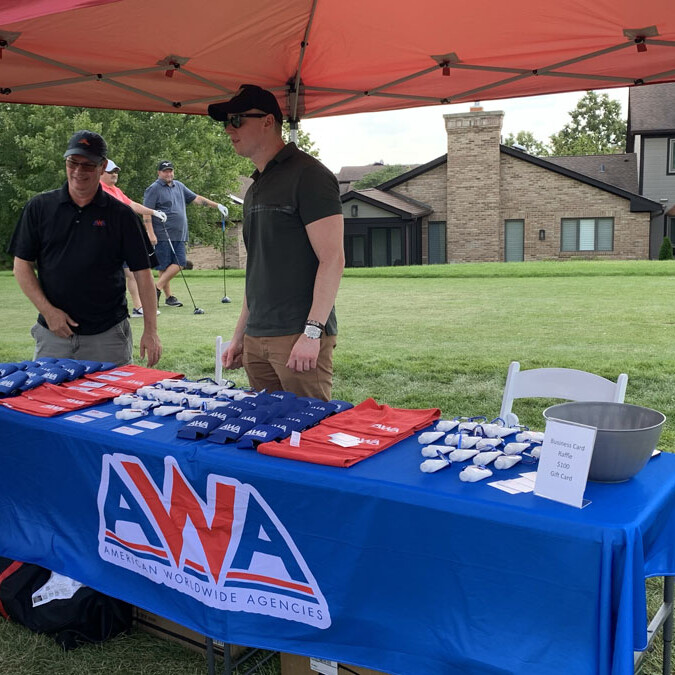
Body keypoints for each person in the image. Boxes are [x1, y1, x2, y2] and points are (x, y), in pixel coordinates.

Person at [207, 84, 345, 401]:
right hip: (256, 338)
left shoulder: (309, 175)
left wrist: (312, 333)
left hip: (297, 335)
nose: (229, 129)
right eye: (227, 121)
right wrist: (240, 335)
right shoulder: (253, 189)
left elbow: (333, 259)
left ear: (268, 121)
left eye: (238, 120)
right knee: (265, 436)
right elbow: (257, 271)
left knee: (307, 434)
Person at [9, 130, 162, 367]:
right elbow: (21, 266)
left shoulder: (121, 215)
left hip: (108, 337)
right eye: (73, 163)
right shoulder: (39, 207)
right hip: (53, 335)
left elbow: (143, 275)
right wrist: (48, 312)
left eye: (88, 165)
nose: (78, 171)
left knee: (114, 403)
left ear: (102, 167)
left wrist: (150, 331)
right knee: (49, 402)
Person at [143, 160, 228, 307]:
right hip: (163, 234)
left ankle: (165, 294)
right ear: (159, 173)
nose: (168, 173)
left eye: (170, 170)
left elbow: (197, 198)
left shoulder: (179, 186)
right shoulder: (153, 189)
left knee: (172, 265)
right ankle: (159, 291)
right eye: (165, 171)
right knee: (172, 264)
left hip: (180, 234)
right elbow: (146, 213)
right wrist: (150, 234)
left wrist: (217, 205)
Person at [100, 159, 166, 318]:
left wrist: (153, 212)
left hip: (119, 239)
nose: (114, 174)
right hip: (106, 241)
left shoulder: (115, 190)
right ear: (100, 172)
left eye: (116, 171)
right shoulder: (99, 190)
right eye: (111, 172)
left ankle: (138, 307)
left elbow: (131, 204)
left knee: (130, 273)